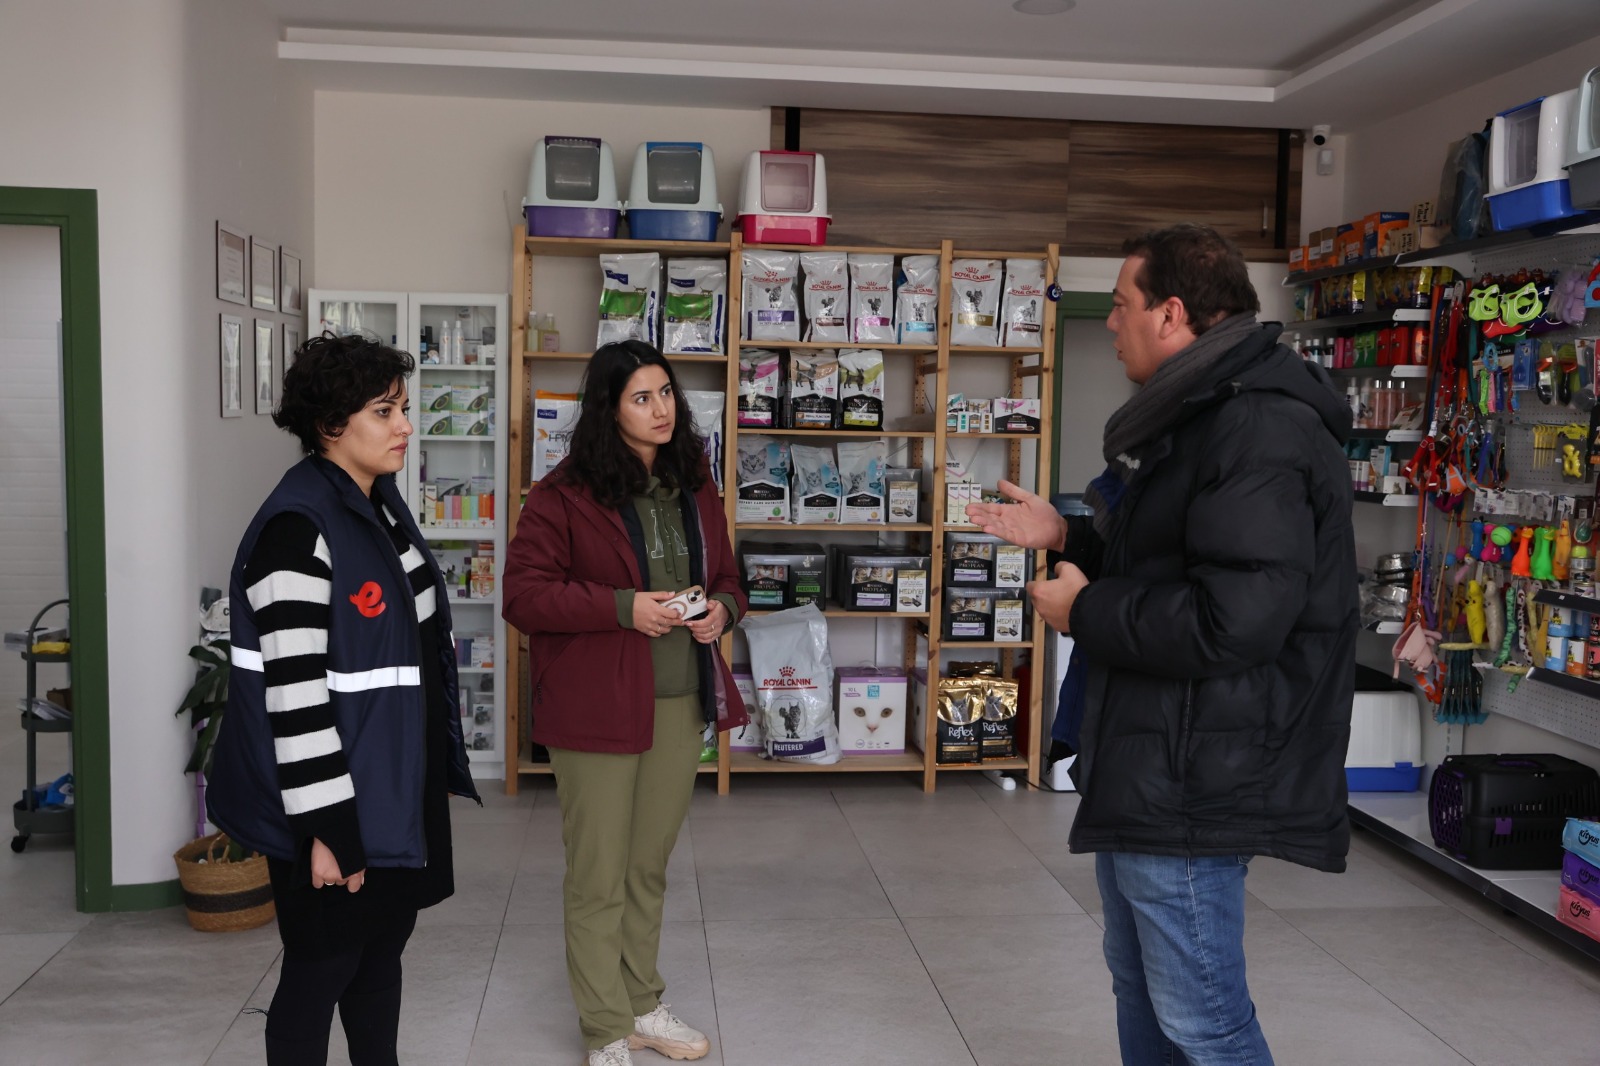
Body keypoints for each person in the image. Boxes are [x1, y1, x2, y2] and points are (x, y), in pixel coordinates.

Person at [968, 224, 1356, 1065]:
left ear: (1172, 314)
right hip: (1154, 755)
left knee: (1203, 1018)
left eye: (1120, 306)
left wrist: (1086, 612)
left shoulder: (1256, 429)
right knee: (1142, 989)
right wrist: (1067, 537)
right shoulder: (1197, 412)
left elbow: (1234, 619)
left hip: (1196, 774)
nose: (1110, 324)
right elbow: (1172, 564)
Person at [208, 331, 481, 1066]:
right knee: (321, 968)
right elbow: (294, 698)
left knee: (380, 955)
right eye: (384, 411)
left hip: (387, 787)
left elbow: (407, 655)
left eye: (403, 407)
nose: (405, 426)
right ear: (331, 424)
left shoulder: (376, 503)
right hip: (334, 800)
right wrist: (327, 830)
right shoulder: (297, 529)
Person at [502, 339, 747, 1066]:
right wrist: (621, 607)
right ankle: (605, 1026)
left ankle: (643, 1003)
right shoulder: (563, 494)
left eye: (666, 393)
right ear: (608, 410)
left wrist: (723, 612)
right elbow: (524, 595)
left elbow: (729, 577)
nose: (660, 409)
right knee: (599, 871)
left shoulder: (694, 481)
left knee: (648, 865)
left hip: (679, 698)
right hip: (595, 706)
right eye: (642, 398)